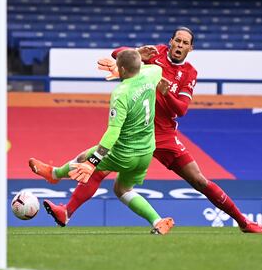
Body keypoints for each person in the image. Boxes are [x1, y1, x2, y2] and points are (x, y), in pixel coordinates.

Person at [31, 27, 262, 234]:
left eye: (185, 43)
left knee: (198, 180)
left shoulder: (189, 73)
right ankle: (65, 207)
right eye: (176, 40)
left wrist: (166, 93)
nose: (179, 45)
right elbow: (119, 55)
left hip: (165, 135)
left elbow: (182, 109)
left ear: (191, 49)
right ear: (170, 41)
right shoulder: (155, 55)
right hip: (137, 132)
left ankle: (244, 222)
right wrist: (138, 50)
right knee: (97, 170)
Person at [30, 49, 174, 235]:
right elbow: (145, 67)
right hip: (146, 151)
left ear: (121, 68)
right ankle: (158, 221)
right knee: (123, 189)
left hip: (124, 152)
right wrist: (130, 61)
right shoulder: (154, 72)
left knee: (85, 159)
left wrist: (93, 162)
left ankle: (54, 174)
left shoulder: (121, 93)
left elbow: (113, 132)